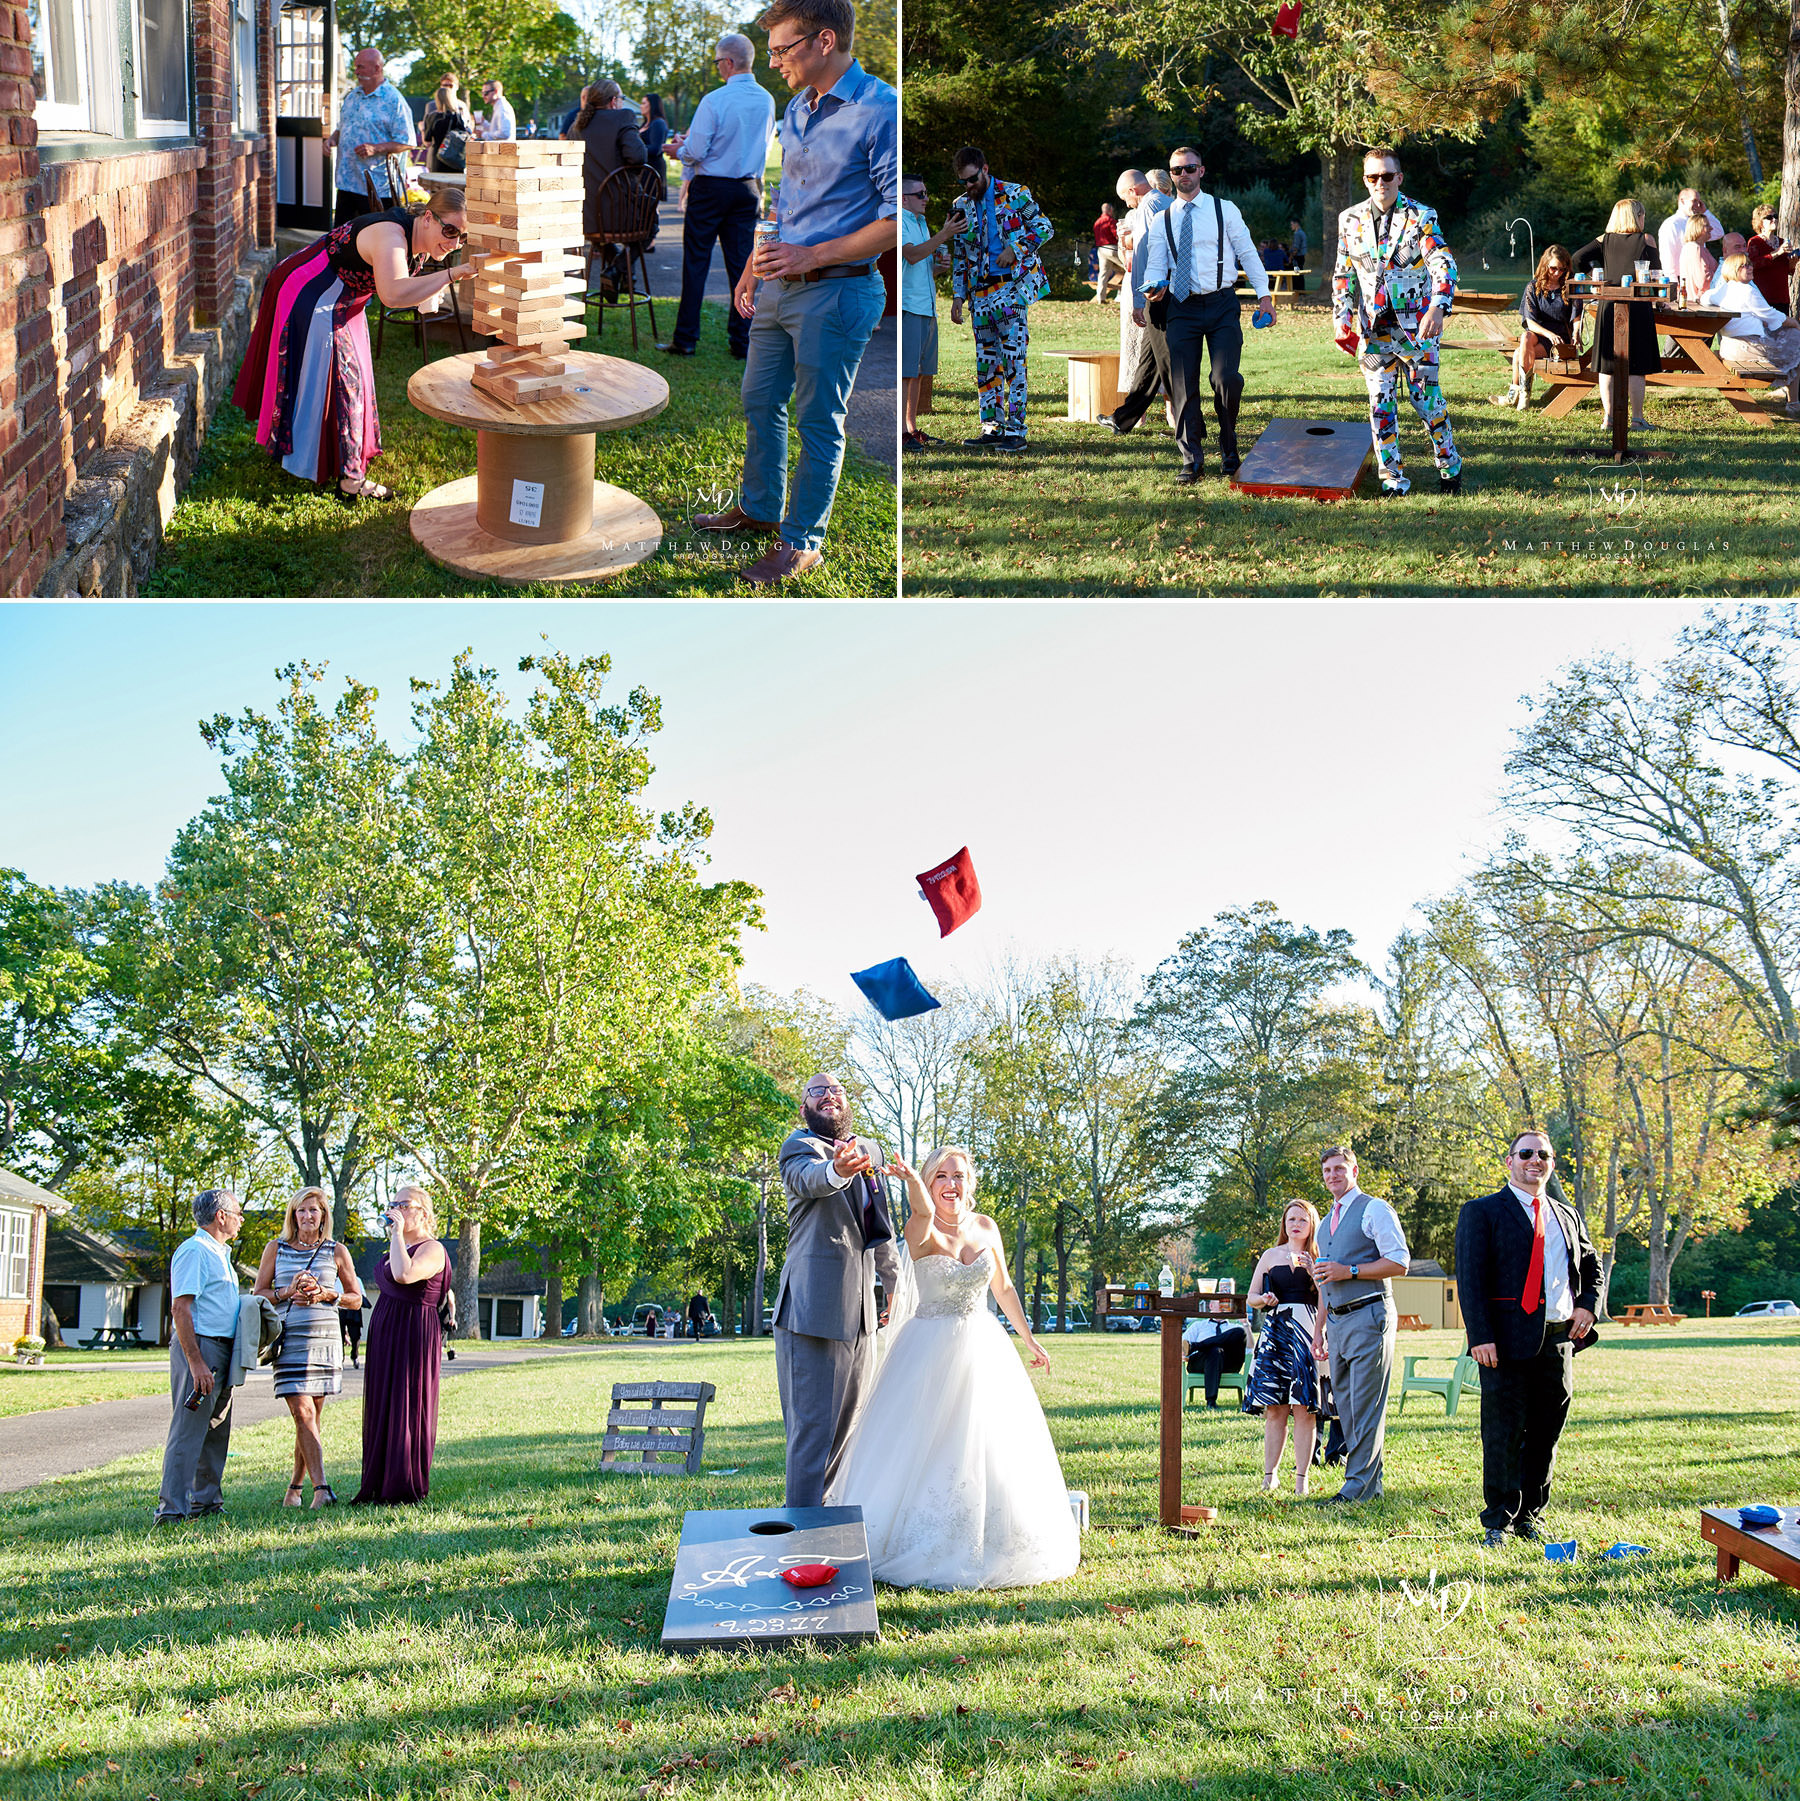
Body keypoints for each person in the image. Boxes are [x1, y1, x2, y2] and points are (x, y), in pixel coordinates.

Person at [698, 0, 895, 585]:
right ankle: (758, 511)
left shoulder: (882, 110)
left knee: (817, 420)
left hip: (837, 292)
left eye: (784, 49)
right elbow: (784, 199)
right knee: (760, 401)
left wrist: (810, 255)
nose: (776, 60)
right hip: (778, 285)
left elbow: (890, 221)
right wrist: (753, 267)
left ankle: (802, 542)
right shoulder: (796, 108)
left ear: (825, 40)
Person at [828, 1146, 1079, 1588]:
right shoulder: (918, 1229)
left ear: (971, 1183)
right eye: (940, 1176)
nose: (951, 1184)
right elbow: (922, 1211)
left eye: (959, 1176)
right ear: (928, 1184)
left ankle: (995, 1535)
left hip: (984, 1347)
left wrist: (1029, 1338)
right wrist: (910, 1181)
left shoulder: (986, 1227)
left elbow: (1002, 1288)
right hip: (929, 1350)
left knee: (990, 1441)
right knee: (927, 1440)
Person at [231, 188, 474, 502]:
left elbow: (406, 289)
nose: (454, 243)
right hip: (309, 291)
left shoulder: (420, 237)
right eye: (450, 231)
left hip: (343, 300)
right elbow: (393, 295)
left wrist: (439, 281)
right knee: (346, 383)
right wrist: (451, 274)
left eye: (462, 237)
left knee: (349, 380)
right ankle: (349, 480)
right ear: (428, 217)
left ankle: (311, 454)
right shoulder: (392, 236)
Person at [1454, 1130, 1600, 1549]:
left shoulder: (1566, 1215)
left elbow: (1592, 1264)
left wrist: (1588, 1305)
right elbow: (1470, 1279)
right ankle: (1497, 1521)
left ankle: (1531, 1518)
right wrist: (1480, 1336)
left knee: (1545, 1433)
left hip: (1558, 1341)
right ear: (1510, 1161)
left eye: (1544, 1155)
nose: (1535, 1160)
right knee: (1502, 1433)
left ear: (1552, 1163)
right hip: (1503, 1343)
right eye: (1526, 1153)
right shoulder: (1482, 1212)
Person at [771, 1071, 902, 1506]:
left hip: (863, 1316)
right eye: (818, 1091)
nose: (829, 1095)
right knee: (812, 1434)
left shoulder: (870, 1150)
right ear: (805, 1105)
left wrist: (893, 1280)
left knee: (848, 1431)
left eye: (837, 1090)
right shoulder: (798, 1148)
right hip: (812, 1312)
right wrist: (837, 1170)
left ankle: (828, 1522)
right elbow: (810, 1179)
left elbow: (877, 1222)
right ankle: (801, 1535)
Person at [1138, 146, 1275, 482]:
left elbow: (1247, 253)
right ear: (1170, 177)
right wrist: (1152, 289)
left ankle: (1230, 449)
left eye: (1189, 168)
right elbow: (1156, 263)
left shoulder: (1223, 210)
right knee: (1182, 386)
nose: (1183, 175)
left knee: (1225, 379)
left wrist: (1265, 296)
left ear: (1202, 171)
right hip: (1180, 307)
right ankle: (1191, 461)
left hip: (1221, 304)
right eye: (1176, 170)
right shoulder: (1162, 219)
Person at [1332, 146, 1460, 497]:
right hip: (1372, 332)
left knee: (1427, 402)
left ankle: (1449, 465)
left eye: (1387, 176)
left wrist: (1438, 306)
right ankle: (1392, 478)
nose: (1380, 183)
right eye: (1373, 177)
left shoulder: (1421, 215)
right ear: (1365, 180)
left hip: (1418, 329)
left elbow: (1442, 263)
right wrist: (1341, 319)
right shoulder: (1350, 219)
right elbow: (1342, 275)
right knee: (1380, 405)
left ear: (1399, 178)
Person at [659, 35, 776, 360]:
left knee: (696, 261)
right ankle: (741, 342)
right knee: (742, 266)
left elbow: (695, 151)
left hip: (710, 188)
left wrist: (677, 149)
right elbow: (763, 147)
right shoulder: (767, 100)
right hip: (747, 188)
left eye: (717, 63)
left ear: (727, 63)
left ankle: (685, 340)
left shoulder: (715, 100)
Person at [1310, 1145, 1409, 1505]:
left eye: (1339, 1168)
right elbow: (1325, 1279)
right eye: (1327, 1171)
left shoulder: (1374, 1209)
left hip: (1370, 1316)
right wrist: (1319, 1328)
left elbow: (1399, 1262)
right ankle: (1371, 1484)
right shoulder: (1325, 1224)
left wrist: (1351, 1270)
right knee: (1347, 1408)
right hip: (1336, 1321)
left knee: (1366, 1406)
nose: (1333, 1175)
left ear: (1354, 1171)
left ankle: (1356, 1488)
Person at [253, 1186, 362, 1510]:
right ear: (293, 1215)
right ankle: (323, 1489)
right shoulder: (276, 1248)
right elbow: (259, 1291)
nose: (307, 1216)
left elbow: (356, 1299)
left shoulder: (336, 1250)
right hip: (289, 1341)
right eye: (301, 1210)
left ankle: (294, 1489)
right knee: (302, 1412)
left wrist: (328, 1294)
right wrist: (287, 1291)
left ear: (323, 1215)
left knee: (310, 1417)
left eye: (314, 1210)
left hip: (324, 1341)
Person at [947, 144, 1053, 451]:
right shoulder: (961, 205)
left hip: (1012, 290)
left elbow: (1045, 228)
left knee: (1014, 362)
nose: (968, 186)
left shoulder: (1017, 193)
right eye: (963, 181)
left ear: (985, 169)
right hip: (979, 295)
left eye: (972, 179)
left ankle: (1016, 431)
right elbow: (960, 255)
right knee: (986, 364)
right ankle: (991, 428)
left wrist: (1015, 249)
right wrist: (958, 296)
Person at [354, 1185, 452, 1505]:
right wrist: (397, 1239)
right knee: (384, 1402)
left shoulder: (432, 1248)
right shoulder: (395, 1247)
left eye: (403, 1204)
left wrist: (396, 1235)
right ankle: (379, 1481)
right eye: (392, 1203)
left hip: (413, 1332)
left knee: (406, 1401)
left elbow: (404, 1275)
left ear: (422, 1212)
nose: (395, 1209)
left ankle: (403, 1483)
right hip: (385, 1332)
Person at [154, 1188, 245, 1524]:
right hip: (201, 1347)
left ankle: (206, 1503)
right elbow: (181, 1307)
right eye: (237, 1213)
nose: (240, 1219)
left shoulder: (218, 1253)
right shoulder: (194, 1251)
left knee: (217, 1427)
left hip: (222, 1349)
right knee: (189, 1429)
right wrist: (196, 1363)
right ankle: (172, 1510)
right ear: (221, 1216)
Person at [1243, 1200, 1324, 1497]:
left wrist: (1315, 1271)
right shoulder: (1270, 1255)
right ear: (1284, 1223)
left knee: (1305, 1409)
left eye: (1303, 1219)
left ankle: (1301, 1478)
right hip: (1276, 1333)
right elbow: (1250, 1297)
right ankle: (1270, 1477)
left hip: (1309, 1332)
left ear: (1312, 1223)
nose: (1296, 1224)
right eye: (1291, 1219)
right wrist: (1263, 1299)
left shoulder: (1320, 1255)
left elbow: (1328, 1296)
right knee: (1274, 1409)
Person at [1571, 199, 1662, 432]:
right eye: (1642, 214)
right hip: (1638, 306)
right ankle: (1638, 419)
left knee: (1607, 364)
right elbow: (1656, 272)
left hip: (1609, 305)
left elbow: (1576, 259)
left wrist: (1595, 276)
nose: (1644, 219)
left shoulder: (1604, 240)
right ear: (1636, 216)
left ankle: (1609, 418)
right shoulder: (1647, 240)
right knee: (1637, 365)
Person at [1100, 167, 1174, 437]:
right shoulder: (1169, 203)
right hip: (1170, 290)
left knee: (1165, 360)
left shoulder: (1147, 208)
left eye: (1125, 198)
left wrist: (1137, 300)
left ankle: (1190, 423)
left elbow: (1142, 253)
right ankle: (1123, 418)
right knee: (1150, 359)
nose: (1127, 204)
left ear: (1133, 190)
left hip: (1157, 292)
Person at [572, 79, 649, 293]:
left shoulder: (578, 125)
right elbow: (638, 156)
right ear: (614, 101)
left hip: (586, 216)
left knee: (603, 237)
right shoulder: (622, 117)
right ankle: (617, 269)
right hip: (619, 213)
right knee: (651, 222)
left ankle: (620, 272)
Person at [1700, 253, 1800, 416]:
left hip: (1729, 345)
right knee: (1796, 340)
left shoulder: (1723, 289)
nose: (1749, 267)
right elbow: (1773, 316)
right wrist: (1795, 323)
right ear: (1733, 270)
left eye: (1749, 264)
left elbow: (1704, 298)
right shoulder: (1748, 291)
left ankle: (1791, 399)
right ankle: (1793, 403)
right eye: (1743, 266)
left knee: (1792, 343)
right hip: (1748, 347)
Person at [326, 49, 416, 227]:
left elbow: (407, 142)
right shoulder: (352, 97)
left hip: (377, 189)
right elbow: (341, 127)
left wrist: (376, 148)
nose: (356, 72)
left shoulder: (394, 100)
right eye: (356, 67)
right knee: (340, 242)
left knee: (374, 243)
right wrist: (332, 139)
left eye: (361, 67)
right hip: (347, 183)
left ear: (377, 68)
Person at [901, 173, 956, 447]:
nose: (926, 199)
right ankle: (901, 431)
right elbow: (910, 254)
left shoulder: (920, 222)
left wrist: (937, 268)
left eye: (926, 192)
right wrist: (944, 234)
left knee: (920, 371)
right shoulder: (898, 221)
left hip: (927, 306)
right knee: (906, 371)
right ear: (904, 199)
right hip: (908, 306)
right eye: (920, 194)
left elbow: (919, 266)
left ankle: (911, 429)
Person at [1493, 244, 1582, 411]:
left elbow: (1576, 316)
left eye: (1562, 269)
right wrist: (1548, 334)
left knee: (1520, 353)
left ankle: (1517, 395)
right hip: (1540, 334)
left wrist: (1577, 332)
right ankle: (1523, 394)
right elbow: (1530, 322)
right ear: (1545, 265)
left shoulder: (1569, 286)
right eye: (1553, 268)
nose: (1557, 273)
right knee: (1526, 336)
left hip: (1560, 339)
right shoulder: (1533, 287)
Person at [1657, 188, 1721, 294]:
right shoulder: (1671, 225)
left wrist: (1705, 212)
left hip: (1701, 285)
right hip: (1682, 284)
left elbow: (1719, 232)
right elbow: (1667, 259)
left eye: (1699, 202)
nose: (1698, 205)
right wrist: (1675, 287)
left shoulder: (1699, 223)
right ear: (1682, 201)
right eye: (1694, 201)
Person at [1183, 1308, 1247, 1408]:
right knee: (1214, 1351)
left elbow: (1251, 1350)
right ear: (1212, 1306)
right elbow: (1182, 1346)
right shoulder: (1198, 1325)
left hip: (1228, 1363)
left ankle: (1197, 1345)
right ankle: (1211, 1401)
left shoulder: (1234, 1326)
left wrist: (1246, 1325)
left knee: (1240, 1332)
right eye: (1220, 1302)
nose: (1223, 1306)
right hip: (1201, 1363)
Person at [1747, 205, 1796, 315]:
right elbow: (1753, 264)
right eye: (1769, 217)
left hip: (1782, 298)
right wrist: (1778, 252)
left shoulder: (1782, 241)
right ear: (1760, 222)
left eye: (1775, 216)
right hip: (1763, 298)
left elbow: (1788, 270)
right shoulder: (1754, 242)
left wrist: (1793, 262)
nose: (1774, 219)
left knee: (1783, 330)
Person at [1679, 213, 1718, 308]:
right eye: (1707, 225)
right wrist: (1721, 276)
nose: (1711, 228)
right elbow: (1703, 281)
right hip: (1699, 303)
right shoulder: (1696, 249)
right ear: (1697, 228)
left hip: (1691, 301)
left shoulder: (1690, 247)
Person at [1093, 201, 1125, 303]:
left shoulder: (1097, 222)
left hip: (1100, 249)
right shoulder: (1111, 220)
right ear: (1110, 210)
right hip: (1111, 249)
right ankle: (1124, 295)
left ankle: (1100, 298)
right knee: (1128, 268)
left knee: (1103, 274)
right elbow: (1117, 235)